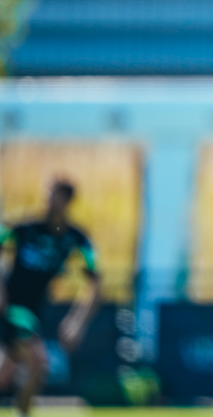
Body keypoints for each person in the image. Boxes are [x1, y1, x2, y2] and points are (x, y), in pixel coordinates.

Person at [0, 179, 100, 417]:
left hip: (33, 312)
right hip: (11, 308)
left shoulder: (77, 239)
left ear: (67, 201)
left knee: (7, 371)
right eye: (47, 194)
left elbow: (95, 283)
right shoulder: (26, 227)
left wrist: (78, 321)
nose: (48, 200)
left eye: (54, 195)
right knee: (36, 362)